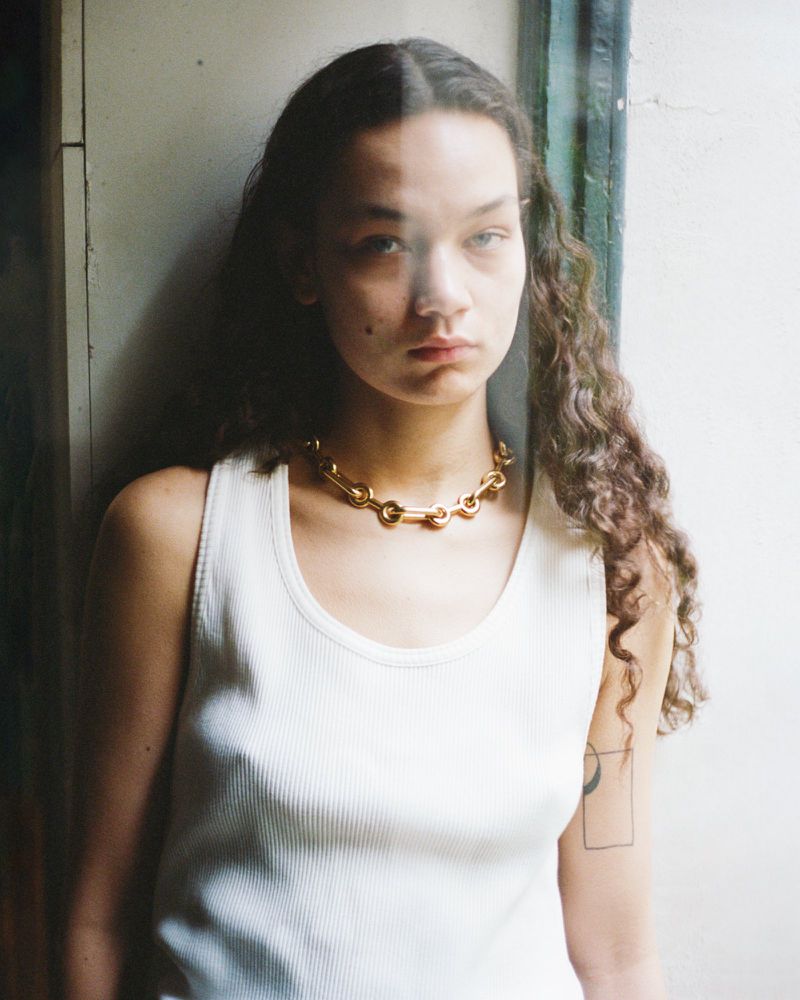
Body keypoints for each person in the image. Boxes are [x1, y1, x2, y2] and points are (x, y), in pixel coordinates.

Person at [61, 37, 706, 1000]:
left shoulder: (611, 569)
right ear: (303, 263)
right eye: (385, 243)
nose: (442, 298)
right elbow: (97, 920)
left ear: (527, 249)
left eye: (484, 237)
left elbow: (613, 954)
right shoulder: (177, 538)